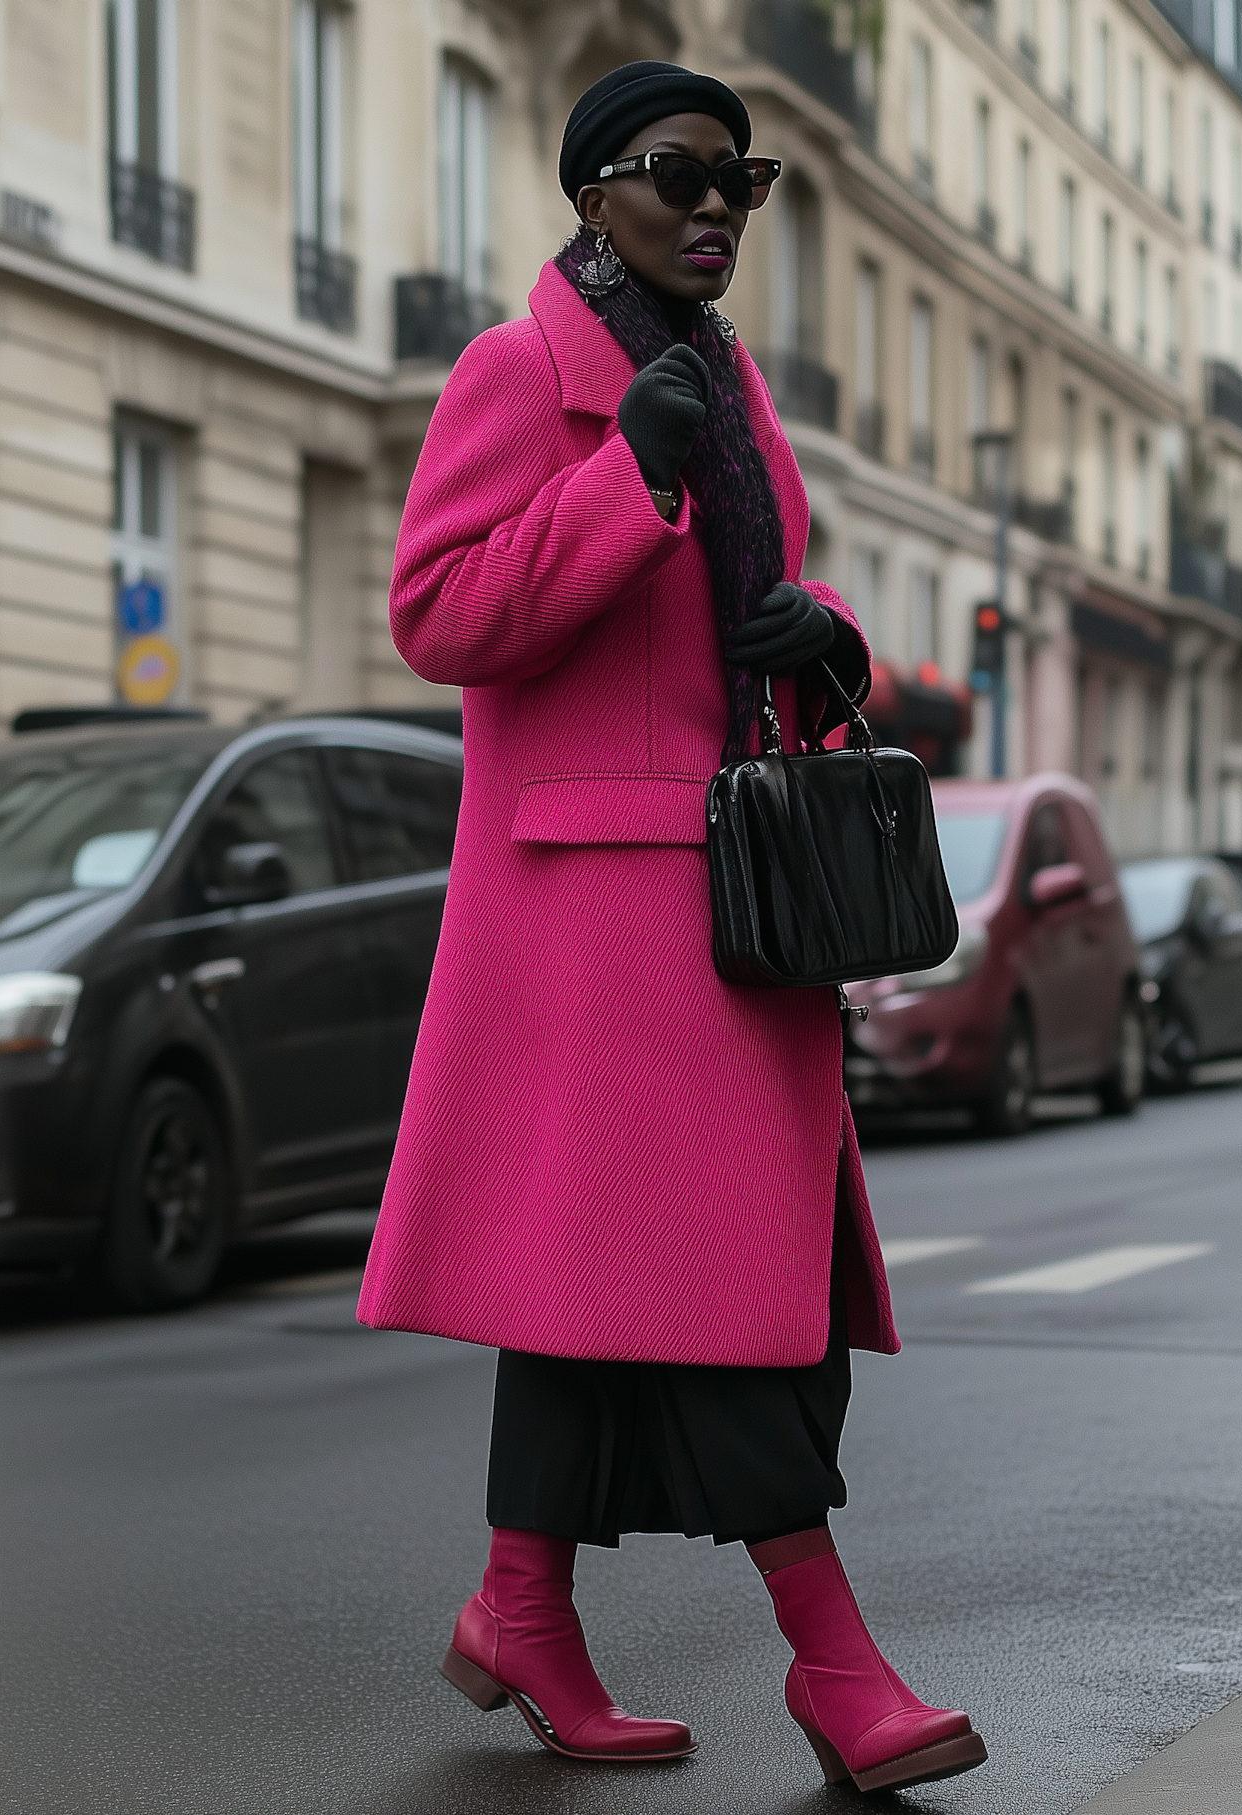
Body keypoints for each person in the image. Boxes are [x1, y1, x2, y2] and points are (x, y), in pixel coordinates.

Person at [357, 59, 988, 1796]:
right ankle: (834, 1662)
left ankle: (519, 1608)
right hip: (591, 927)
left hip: (731, 909)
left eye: (744, 180)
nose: (715, 206)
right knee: (723, 1303)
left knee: (603, 1297)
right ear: (592, 197)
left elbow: (761, 605)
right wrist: (616, 483)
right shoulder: (518, 375)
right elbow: (440, 614)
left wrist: (823, 633)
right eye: (676, 174)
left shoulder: (728, 382)